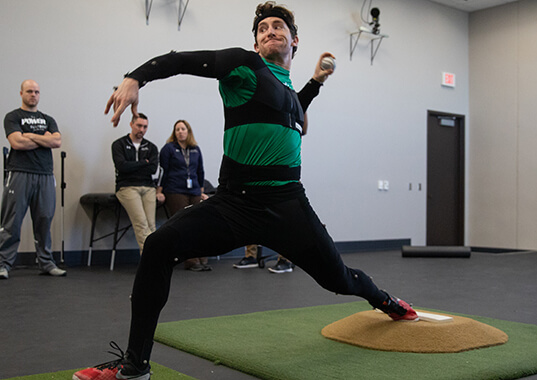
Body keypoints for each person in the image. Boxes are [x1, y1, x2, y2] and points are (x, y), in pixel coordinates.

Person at [74, 3, 417, 379]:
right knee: (158, 246)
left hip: (288, 205)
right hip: (233, 205)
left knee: (340, 279)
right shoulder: (245, 66)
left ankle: (385, 300)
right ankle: (134, 366)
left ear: (295, 40)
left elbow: (292, 107)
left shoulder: (286, 91)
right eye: (263, 29)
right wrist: (135, 78)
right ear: (255, 43)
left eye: (278, 27)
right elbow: (183, 60)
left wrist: (317, 81)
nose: (270, 31)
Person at [0, 79, 66, 279]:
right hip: (19, 172)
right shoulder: (13, 116)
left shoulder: (48, 119)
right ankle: (3, 265)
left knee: (44, 219)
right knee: (12, 222)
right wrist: (43, 138)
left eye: (36, 92)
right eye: (29, 91)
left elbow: (57, 141)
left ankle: (46, 263)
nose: (33, 95)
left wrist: (30, 136)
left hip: (45, 174)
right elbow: (17, 143)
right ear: (21, 93)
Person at [156, 120, 210, 271]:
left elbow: (200, 171)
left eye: (183, 129)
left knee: (200, 223)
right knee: (185, 224)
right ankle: (191, 261)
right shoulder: (169, 149)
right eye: (177, 129)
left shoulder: (195, 149)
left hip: (194, 190)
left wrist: (201, 191)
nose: (180, 131)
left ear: (188, 131)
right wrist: (159, 191)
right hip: (175, 190)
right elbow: (163, 171)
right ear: (174, 132)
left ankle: (202, 257)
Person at [112, 113, 159, 254]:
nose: (142, 130)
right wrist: (143, 163)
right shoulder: (119, 144)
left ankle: (151, 256)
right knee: (141, 223)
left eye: (145, 127)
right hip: (127, 187)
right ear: (131, 124)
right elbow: (121, 166)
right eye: (139, 126)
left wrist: (134, 165)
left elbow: (153, 168)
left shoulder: (151, 147)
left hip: (148, 187)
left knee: (151, 225)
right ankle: (150, 258)